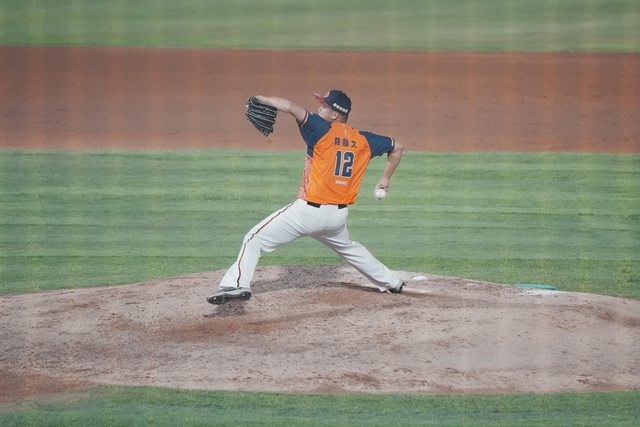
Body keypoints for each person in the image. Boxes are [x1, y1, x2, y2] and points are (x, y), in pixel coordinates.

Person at [207, 89, 405, 304]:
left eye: (325, 106)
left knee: (254, 238)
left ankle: (237, 285)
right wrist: (385, 179)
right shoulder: (365, 139)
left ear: (335, 114)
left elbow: (289, 107)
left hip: (307, 213)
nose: (320, 107)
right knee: (349, 248)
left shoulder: (321, 128)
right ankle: (392, 282)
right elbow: (397, 147)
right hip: (336, 218)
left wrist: (259, 98)